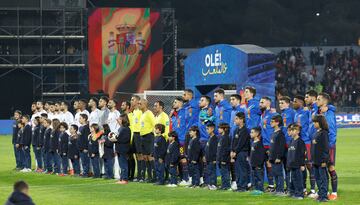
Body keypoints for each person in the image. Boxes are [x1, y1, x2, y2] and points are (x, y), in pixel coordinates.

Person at [317, 92, 338, 200]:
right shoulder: (320, 112)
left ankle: (334, 193)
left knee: (330, 167)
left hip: (328, 145)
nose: (317, 101)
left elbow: (332, 131)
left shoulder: (329, 114)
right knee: (322, 167)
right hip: (320, 145)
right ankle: (323, 190)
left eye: (319, 99)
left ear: (325, 101)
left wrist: (329, 145)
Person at [293, 95, 314, 195]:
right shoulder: (296, 113)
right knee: (301, 165)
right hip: (298, 142)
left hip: (306, 142)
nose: (293, 103)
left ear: (300, 102)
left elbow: (311, 122)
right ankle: (304, 188)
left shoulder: (306, 112)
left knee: (309, 165)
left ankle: (313, 189)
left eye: (295, 101)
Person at [259, 96, 278, 192]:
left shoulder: (273, 114)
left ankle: (279, 186)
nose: (260, 104)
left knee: (274, 164)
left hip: (271, 144)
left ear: (268, 103)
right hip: (264, 143)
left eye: (262, 102)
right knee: (267, 164)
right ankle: (271, 185)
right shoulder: (263, 114)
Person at [170, 97, 189, 186]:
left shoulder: (185, 112)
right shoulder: (173, 114)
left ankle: (186, 178)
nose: (173, 103)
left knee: (183, 159)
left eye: (175, 102)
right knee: (176, 160)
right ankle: (181, 178)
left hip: (182, 140)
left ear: (181, 103)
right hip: (175, 141)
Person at [197, 95, 215, 187]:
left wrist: (206, 119)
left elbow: (213, 119)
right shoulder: (201, 111)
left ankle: (209, 181)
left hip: (206, 139)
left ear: (207, 102)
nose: (199, 101)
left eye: (202, 100)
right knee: (201, 161)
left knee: (207, 161)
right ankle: (203, 180)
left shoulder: (210, 110)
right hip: (201, 139)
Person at [311, 115, 330, 202]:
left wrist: (324, 160)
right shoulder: (316, 133)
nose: (314, 124)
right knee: (318, 179)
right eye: (314, 122)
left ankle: (324, 196)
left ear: (320, 122)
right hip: (315, 161)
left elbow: (325, 148)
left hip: (321, 161)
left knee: (323, 179)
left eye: (316, 122)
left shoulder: (324, 133)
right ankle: (320, 194)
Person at [278, 96, 295, 190]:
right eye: (279, 103)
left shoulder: (292, 112)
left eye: (282, 103)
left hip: (290, 143)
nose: (280, 105)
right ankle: (288, 186)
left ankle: (292, 187)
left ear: (288, 104)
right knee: (285, 165)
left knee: (290, 166)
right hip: (283, 143)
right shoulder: (282, 114)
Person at [231, 112, 250, 192]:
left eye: (236, 119)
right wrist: (232, 150)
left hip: (242, 152)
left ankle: (243, 186)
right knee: (237, 170)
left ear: (242, 119)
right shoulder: (236, 130)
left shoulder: (245, 130)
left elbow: (241, 143)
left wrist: (235, 151)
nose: (234, 120)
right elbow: (233, 142)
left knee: (242, 169)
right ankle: (239, 186)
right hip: (236, 152)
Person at [287, 124, 306, 200]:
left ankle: (300, 194)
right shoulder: (291, 141)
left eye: (293, 130)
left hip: (298, 164)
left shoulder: (300, 141)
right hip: (292, 164)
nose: (291, 131)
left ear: (298, 131)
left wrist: (302, 164)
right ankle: (295, 193)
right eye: (291, 130)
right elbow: (290, 153)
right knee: (293, 179)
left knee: (299, 180)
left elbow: (302, 154)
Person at [269, 115, 286, 196]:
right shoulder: (273, 133)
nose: (270, 123)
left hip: (277, 158)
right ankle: (277, 189)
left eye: (272, 121)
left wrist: (279, 157)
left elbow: (281, 147)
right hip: (272, 157)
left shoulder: (280, 134)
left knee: (279, 174)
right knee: (275, 174)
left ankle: (281, 190)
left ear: (277, 123)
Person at [139, 99, 156, 182]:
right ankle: (149, 176)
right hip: (142, 137)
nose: (139, 105)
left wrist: (153, 136)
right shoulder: (142, 114)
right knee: (145, 157)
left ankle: (154, 176)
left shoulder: (149, 113)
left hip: (149, 137)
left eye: (140, 103)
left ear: (145, 104)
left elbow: (154, 124)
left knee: (150, 157)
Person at [129, 95, 143, 182]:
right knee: (136, 155)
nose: (131, 101)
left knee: (140, 155)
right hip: (134, 135)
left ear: (138, 101)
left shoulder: (141, 112)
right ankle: (138, 175)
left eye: (132, 99)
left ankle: (141, 175)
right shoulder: (134, 112)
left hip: (139, 135)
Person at [115, 114, 131, 184]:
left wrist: (116, 139)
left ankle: (125, 179)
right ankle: (122, 178)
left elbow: (125, 139)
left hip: (123, 149)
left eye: (119, 119)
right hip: (119, 148)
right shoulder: (120, 128)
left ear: (123, 120)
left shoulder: (126, 129)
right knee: (121, 164)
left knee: (123, 164)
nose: (118, 120)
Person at [249, 127, 266, 195]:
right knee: (255, 178)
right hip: (253, 165)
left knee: (259, 178)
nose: (250, 134)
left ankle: (260, 190)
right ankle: (256, 189)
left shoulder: (259, 144)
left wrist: (259, 165)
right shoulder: (253, 142)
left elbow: (261, 155)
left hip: (258, 165)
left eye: (252, 132)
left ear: (257, 133)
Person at [203, 123, 218, 190]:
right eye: (206, 129)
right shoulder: (209, 138)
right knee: (208, 172)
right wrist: (205, 156)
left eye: (208, 129)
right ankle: (209, 184)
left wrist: (215, 159)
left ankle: (213, 184)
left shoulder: (215, 138)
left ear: (212, 129)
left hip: (212, 159)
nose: (207, 130)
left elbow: (215, 150)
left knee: (212, 172)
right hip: (208, 159)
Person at [217, 123, 231, 190]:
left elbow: (226, 150)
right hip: (220, 159)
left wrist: (224, 159)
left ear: (225, 129)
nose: (218, 129)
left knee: (225, 173)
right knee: (222, 173)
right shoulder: (221, 137)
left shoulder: (226, 138)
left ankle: (227, 186)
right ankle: (223, 185)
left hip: (224, 159)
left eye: (220, 128)